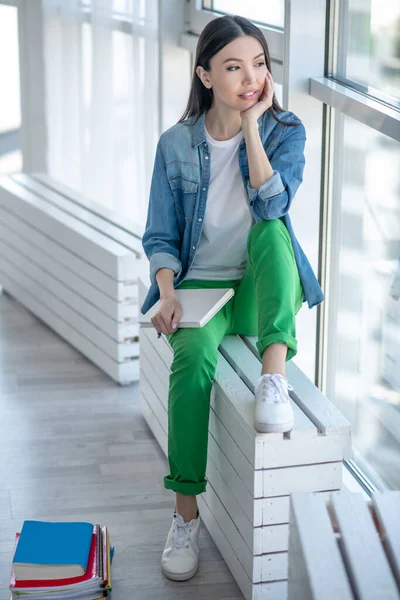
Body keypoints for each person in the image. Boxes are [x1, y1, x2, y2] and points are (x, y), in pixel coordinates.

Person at [140, 14, 324, 582]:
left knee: (274, 229)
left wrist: (251, 126)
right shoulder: (174, 144)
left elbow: (271, 206)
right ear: (205, 74)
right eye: (234, 67)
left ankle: (274, 378)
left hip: (260, 288)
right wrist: (168, 292)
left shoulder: (285, 130)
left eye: (260, 64)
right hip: (200, 287)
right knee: (191, 363)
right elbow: (160, 236)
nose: (251, 78)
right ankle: (185, 517)